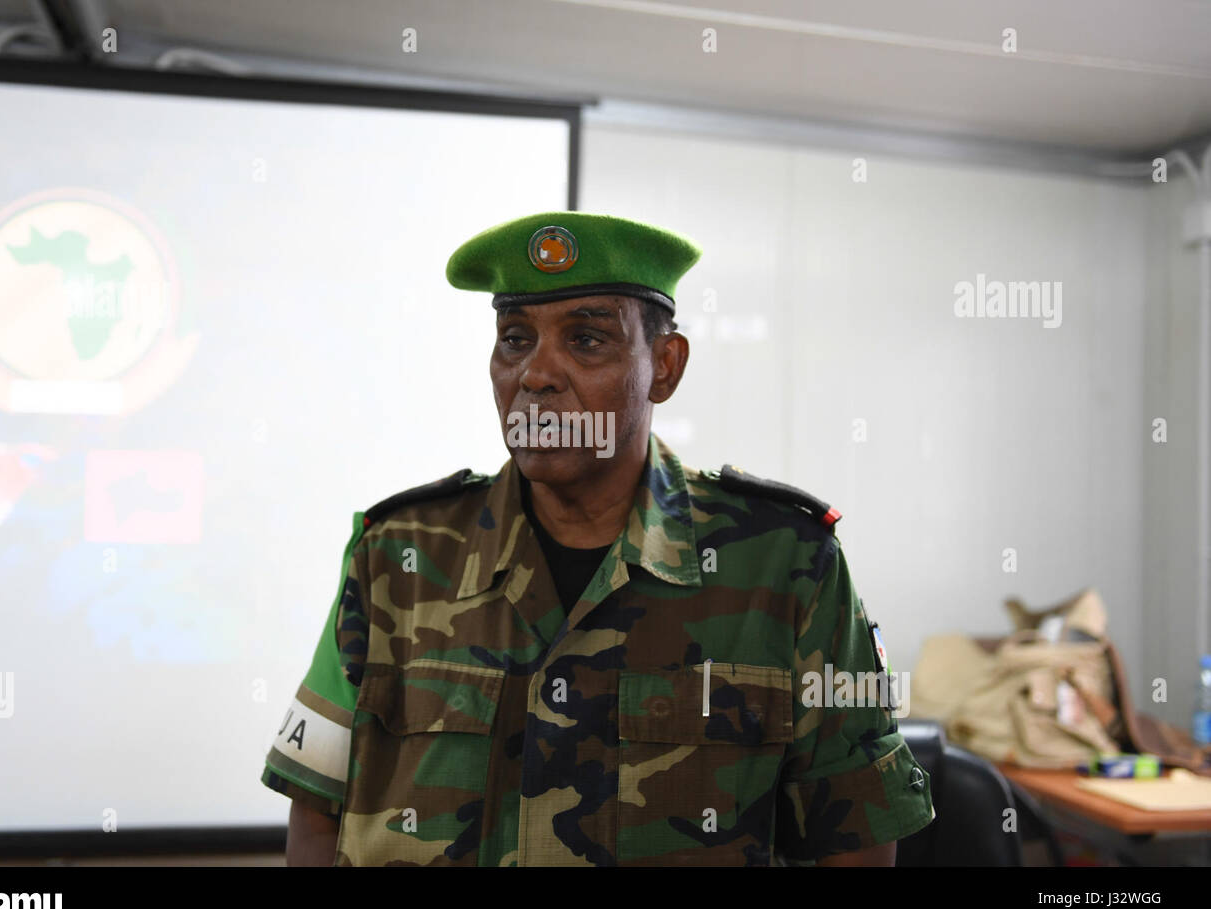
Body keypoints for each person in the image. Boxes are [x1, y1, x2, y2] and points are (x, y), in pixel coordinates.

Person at [261, 211, 934, 866]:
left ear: (664, 367)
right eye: (516, 338)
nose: (536, 374)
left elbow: (857, 830)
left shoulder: (786, 563)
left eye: (585, 341)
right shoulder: (397, 556)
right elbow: (318, 810)